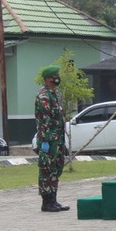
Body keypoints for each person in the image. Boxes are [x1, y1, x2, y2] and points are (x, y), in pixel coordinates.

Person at [35, 65, 69, 212]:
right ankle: (46, 201)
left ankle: (53, 199)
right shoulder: (44, 96)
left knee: (56, 168)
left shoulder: (55, 94)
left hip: (58, 138)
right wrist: (44, 141)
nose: (57, 77)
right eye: (55, 75)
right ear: (48, 79)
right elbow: (43, 120)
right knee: (47, 170)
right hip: (48, 139)